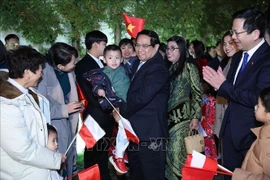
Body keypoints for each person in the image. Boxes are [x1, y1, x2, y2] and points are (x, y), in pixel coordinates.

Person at [203, 8, 270, 180]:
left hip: (252, 135)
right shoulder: (239, 57)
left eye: (236, 32)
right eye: (232, 31)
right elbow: (231, 91)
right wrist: (219, 85)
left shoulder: (267, 59)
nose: (232, 37)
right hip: (229, 133)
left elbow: (258, 98)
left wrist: (223, 85)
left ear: (255, 33)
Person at [0, 46, 66, 179]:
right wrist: (54, 159)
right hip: (23, 173)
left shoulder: (29, 92)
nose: (41, 75)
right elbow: (21, 149)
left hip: (40, 169)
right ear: (28, 72)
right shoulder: (6, 104)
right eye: (40, 70)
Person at [113, 29, 169, 180]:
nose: (139, 49)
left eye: (145, 46)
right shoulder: (138, 62)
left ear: (156, 47)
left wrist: (121, 111)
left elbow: (142, 97)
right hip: (135, 132)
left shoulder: (158, 68)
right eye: (137, 45)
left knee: (152, 175)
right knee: (136, 174)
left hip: (151, 134)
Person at [37, 42, 82, 178]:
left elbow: (70, 93)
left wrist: (76, 105)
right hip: (54, 126)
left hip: (70, 121)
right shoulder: (41, 75)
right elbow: (40, 107)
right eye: (73, 62)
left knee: (67, 156)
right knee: (57, 163)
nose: (76, 64)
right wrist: (64, 109)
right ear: (60, 66)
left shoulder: (70, 72)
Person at [84, 44, 130, 174]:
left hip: (129, 103)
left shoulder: (124, 69)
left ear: (121, 59)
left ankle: (120, 150)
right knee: (124, 127)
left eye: (117, 58)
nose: (114, 61)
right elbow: (96, 82)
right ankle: (119, 155)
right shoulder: (102, 73)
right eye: (110, 58)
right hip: (117, 104)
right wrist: (98, 90)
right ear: (104, 59)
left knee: (128, 130)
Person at [75, 30, 114, 180]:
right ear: (96, 44)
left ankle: (104, 176)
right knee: (92, 152)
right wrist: (108, 106)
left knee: (103, 152)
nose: (106, 46)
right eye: (104, 44)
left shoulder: (103, 62)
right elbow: (89, 94)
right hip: (95, 115)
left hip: (107, 114)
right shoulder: (83, 65)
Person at [165, 35, 202, 179]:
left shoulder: (189, 66)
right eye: (167, 48)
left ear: (181, 50)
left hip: (183, 119)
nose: (169, 51)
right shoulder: (169, 68)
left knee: (179, 155)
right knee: (169, 156)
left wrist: (196, 117)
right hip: (168, 119)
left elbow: (197, 93)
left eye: (173, 48)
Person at [232, 87, 270, 180]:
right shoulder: (263, 133)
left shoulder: (267, 144)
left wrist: (242, 176)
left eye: (259, 105)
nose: (255, 107)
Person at [214, 31, 239, 159]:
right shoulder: (227, 62)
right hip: (222, 109)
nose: (227, 47)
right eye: (224, 44)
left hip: (231, 115)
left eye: (231, 43)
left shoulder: (239, 62)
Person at [201, 80, 217, 160]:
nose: (201, 86)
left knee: (209, 145)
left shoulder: (211, 99)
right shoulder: (199, 97)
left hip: (207, 126)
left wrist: (209, 126)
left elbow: (212, 115)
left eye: (203, 84)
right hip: (201, 124)